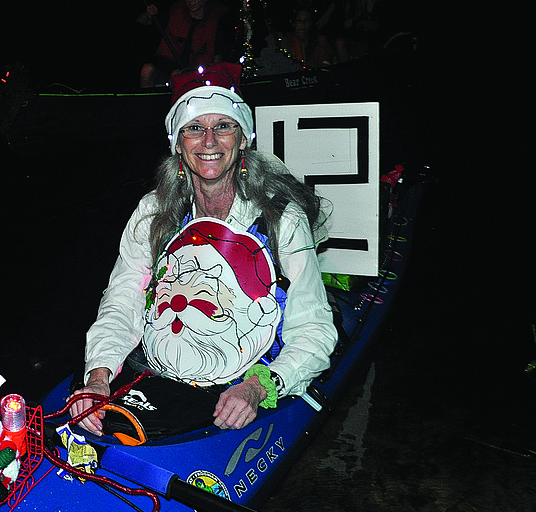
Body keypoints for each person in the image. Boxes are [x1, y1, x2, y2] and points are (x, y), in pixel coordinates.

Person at [70, 63, 337, 434]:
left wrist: (259, 387)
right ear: (177, 143)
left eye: (223, 126)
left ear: (243, 138)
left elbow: (313, 328)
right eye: (194, 128)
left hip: (243, 378)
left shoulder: (281, 219)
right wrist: (99, 375)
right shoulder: (153, 211)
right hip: (159, 369)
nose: (209, 141)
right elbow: (123, 299)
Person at [138, 0, 232, 88]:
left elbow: (218, 60)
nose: (191, 1)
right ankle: (146, 104)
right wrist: (148, 14)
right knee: (147, 69)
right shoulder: (176, 11)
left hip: (196, 76)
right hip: (168, 71)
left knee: (177, 74)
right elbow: (142, 21)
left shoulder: (216, 22)